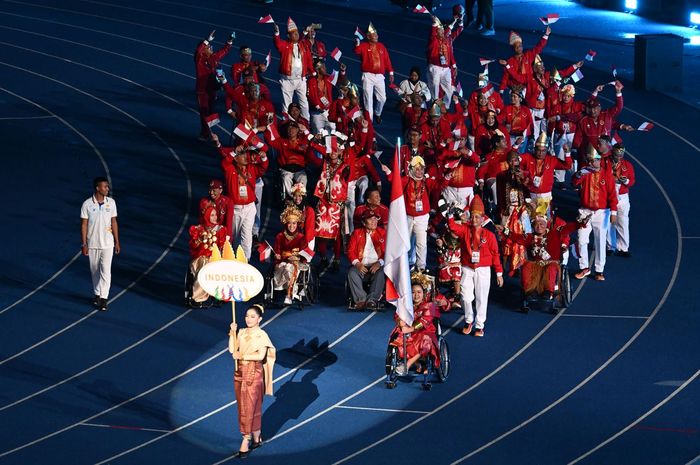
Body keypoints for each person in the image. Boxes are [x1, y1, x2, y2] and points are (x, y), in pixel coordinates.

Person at [500, 201, 579, 303]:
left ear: (546, 225)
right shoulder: (530, 237)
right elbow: (516, 237)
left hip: (551, 263)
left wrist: (580, 223)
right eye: (536, 224)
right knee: (526, 266)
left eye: (542, 224)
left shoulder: (554, 234)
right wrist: (504, 231)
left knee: (551, 269)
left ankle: (548, 291)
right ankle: (530, 292)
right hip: (535, 264)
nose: (539, 226)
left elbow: (568, 228)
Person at [448, 195, 503, 337]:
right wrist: (449, 215)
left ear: (483, 218)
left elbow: (496, 254)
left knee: (481, 297)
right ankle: (468, 320)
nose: (474, 220)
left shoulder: (489, 235)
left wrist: (499, 273)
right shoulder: (465, 230)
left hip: (483, 269)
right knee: (466, 296)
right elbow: (453, 227)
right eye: (472, 216)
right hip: (467, 267)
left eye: (477, 217)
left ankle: (479, 325)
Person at [229, 304, 276, 458]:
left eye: (253, 316)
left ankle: (246, 438)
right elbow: (231, 350)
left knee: (248, 405)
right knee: (246, 405)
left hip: (253, 372)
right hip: (240, 371)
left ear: (259, 319)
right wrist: (233, 333)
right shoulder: (241, 332)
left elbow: (261, 356)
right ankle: (257, 436)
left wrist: (242, 356)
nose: (249, 319)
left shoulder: (262, 335)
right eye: (247, 316)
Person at [218, 135, 269, 260]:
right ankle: (232, 259)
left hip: (249, 208)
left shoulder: (252, 168)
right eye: (242, 155)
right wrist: (234, 151)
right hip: (235, 208)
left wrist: (264, 157)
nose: (246, 157)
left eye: (245, 154)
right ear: (235, 158)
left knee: (247, 237)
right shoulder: (229, 169)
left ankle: (246, 262)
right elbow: (224, 162)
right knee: (234, 237)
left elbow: (263, 168)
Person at [572, 145, 618, 281]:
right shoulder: (585, 172)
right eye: (591, 160)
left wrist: (614, 212)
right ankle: (584, 267)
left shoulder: (607, 175)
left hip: (601, 213)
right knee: (581, 240)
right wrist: (580, 173)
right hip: (584, 212)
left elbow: (612, 196)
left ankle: (599, 270)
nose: (593, 163)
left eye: (596, 160)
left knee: (600, 241)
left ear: (600, 160)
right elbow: (574, 183)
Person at [80, 177, 120, 311]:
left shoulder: (111, 203)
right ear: (98, 188)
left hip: (108, 244)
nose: (107, 189)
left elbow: (114, 222)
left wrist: (117, 241)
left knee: (106, 270)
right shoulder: (87, 204)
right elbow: (84, 224)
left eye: (107, 187)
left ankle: (104, 298)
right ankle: (97, 293)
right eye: (105, 187)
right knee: (94, 270)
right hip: (93, 243)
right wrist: (84, 244)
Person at [388, 272, 440, 375]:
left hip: (426, 331)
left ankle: (407, 364)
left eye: (419, 292)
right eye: (413, 292)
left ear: (424, 293)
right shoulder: (406, 306)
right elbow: (397, 315)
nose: (416, 295)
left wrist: (410, 329)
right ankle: (417, 364)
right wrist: (400, 322)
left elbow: (424, 321)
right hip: (409, 332)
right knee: (398, 336)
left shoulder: (429, 306)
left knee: (424, 340)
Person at [194, 30, 233, 141]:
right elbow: (198, 51)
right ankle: (205, 133)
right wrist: (207, 40)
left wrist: (229, 42)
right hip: (202, 91)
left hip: (212, 89)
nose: (211, 48)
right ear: (203, 50)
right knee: (204, 111)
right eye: (209, 47)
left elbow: (223, 51)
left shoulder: (213, 58)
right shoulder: (199, 60)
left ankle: (209, 131)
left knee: (211, 111)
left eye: (211, 47)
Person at [354, 22, 395, 123]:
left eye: (377, 34)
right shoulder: (364, 46)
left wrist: (390, 72)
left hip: (380, 77)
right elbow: (357, 51)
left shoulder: (381, 46)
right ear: (368, 36)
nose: (377, 36)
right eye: (374, 34)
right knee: (368, 100)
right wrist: (357, 43)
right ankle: (369, 122)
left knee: (382, 98)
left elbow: (387, 60)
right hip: (368, 76)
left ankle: (378, 113)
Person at [274, 17, 314, 120]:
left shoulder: (302, 45)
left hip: (301, 79)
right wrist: (276, 34)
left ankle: (306, 122)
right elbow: (277, 44)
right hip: (287, 80)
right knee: (287, 104)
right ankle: (287, 123)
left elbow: (309, 59)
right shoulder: (284, 45)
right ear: (288, 35)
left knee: (304, 102)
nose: (297, 34)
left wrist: (312, 71)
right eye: (294, 33)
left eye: (297, 33)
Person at [188, 206, 228, 307]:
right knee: (204, 264)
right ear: (206, 216)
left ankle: (219, 295)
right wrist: (200, 239)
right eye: (212, 215)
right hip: (201, 258)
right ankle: (198, 296)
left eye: (216, 215)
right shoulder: (199, 229)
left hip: (215, 258)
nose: (215, 217)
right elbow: (193, 246)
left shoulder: (221, 229)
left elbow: (223, 245)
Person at [347, 210, 387, 309]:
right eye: (371, 219)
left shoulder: (383, 233)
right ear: (364, 222)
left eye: (376, 219)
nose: (374, 221)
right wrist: (357, 264)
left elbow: (388, 252)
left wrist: (379, 263)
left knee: (382, 272)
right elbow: (350, 251)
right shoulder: (356, 233)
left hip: (377, 266)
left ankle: (372, 300)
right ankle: (361, 300)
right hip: (361, 266)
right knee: (352, 273)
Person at [273, 207, 309, 305]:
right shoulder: (280, 236)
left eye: (294, 223)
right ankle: (280, 290)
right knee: (282, 267)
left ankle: (288, 295)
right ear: (286, 223)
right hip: (282, 261)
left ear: (297, 224)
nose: (291, 226)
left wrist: (297, 259)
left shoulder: (301, 237)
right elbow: (277, 251)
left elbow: (305, 254)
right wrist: (277, 256)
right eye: (289, 223)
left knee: (289, 268)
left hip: (296, 263)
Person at [498, 27, 551, 92]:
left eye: (520, 46)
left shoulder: (528, 55)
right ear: (513, 48)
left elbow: (538, 48)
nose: (519, 48)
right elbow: (505, 77)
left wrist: (546, 35)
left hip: (529, 86)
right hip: (515, 88)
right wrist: (501, 90)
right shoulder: (510, 61)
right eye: (516, 47)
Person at [606, 143, 635, 257]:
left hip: (622, 196)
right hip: (609, 195)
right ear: (613, 152)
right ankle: (610, 246)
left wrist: (625, 181)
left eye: (621, 154)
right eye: (617, 154)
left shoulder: (627, 165)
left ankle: (623, 248)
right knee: (609, 222)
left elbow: (632, 181)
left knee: (623, 222)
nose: (618, 156)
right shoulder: (606, 162)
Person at [426, 15, 459, 107]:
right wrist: (434, 23)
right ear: (436, 32)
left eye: (442, 30)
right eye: (439, 30)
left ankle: (446, 106)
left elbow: (450, 54)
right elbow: (433, 32)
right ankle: (435, 104)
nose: (442, 31)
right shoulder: (433, 40)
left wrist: (454, 66)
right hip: (435, 67)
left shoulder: (446, 40)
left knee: (449, 88)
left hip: (446, 68)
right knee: (435, 86)